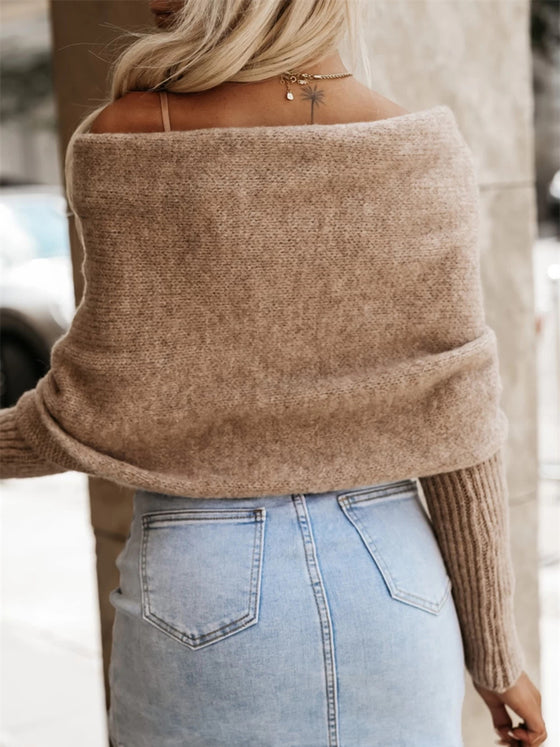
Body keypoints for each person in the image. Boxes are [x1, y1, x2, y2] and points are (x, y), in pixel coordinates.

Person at [0, 1, 547, 745]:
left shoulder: (128, 135)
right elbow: (455, 423)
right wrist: (496, 654)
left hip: (204, 574)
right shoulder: (420, 147)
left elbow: (91, 404)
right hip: (395, 580)